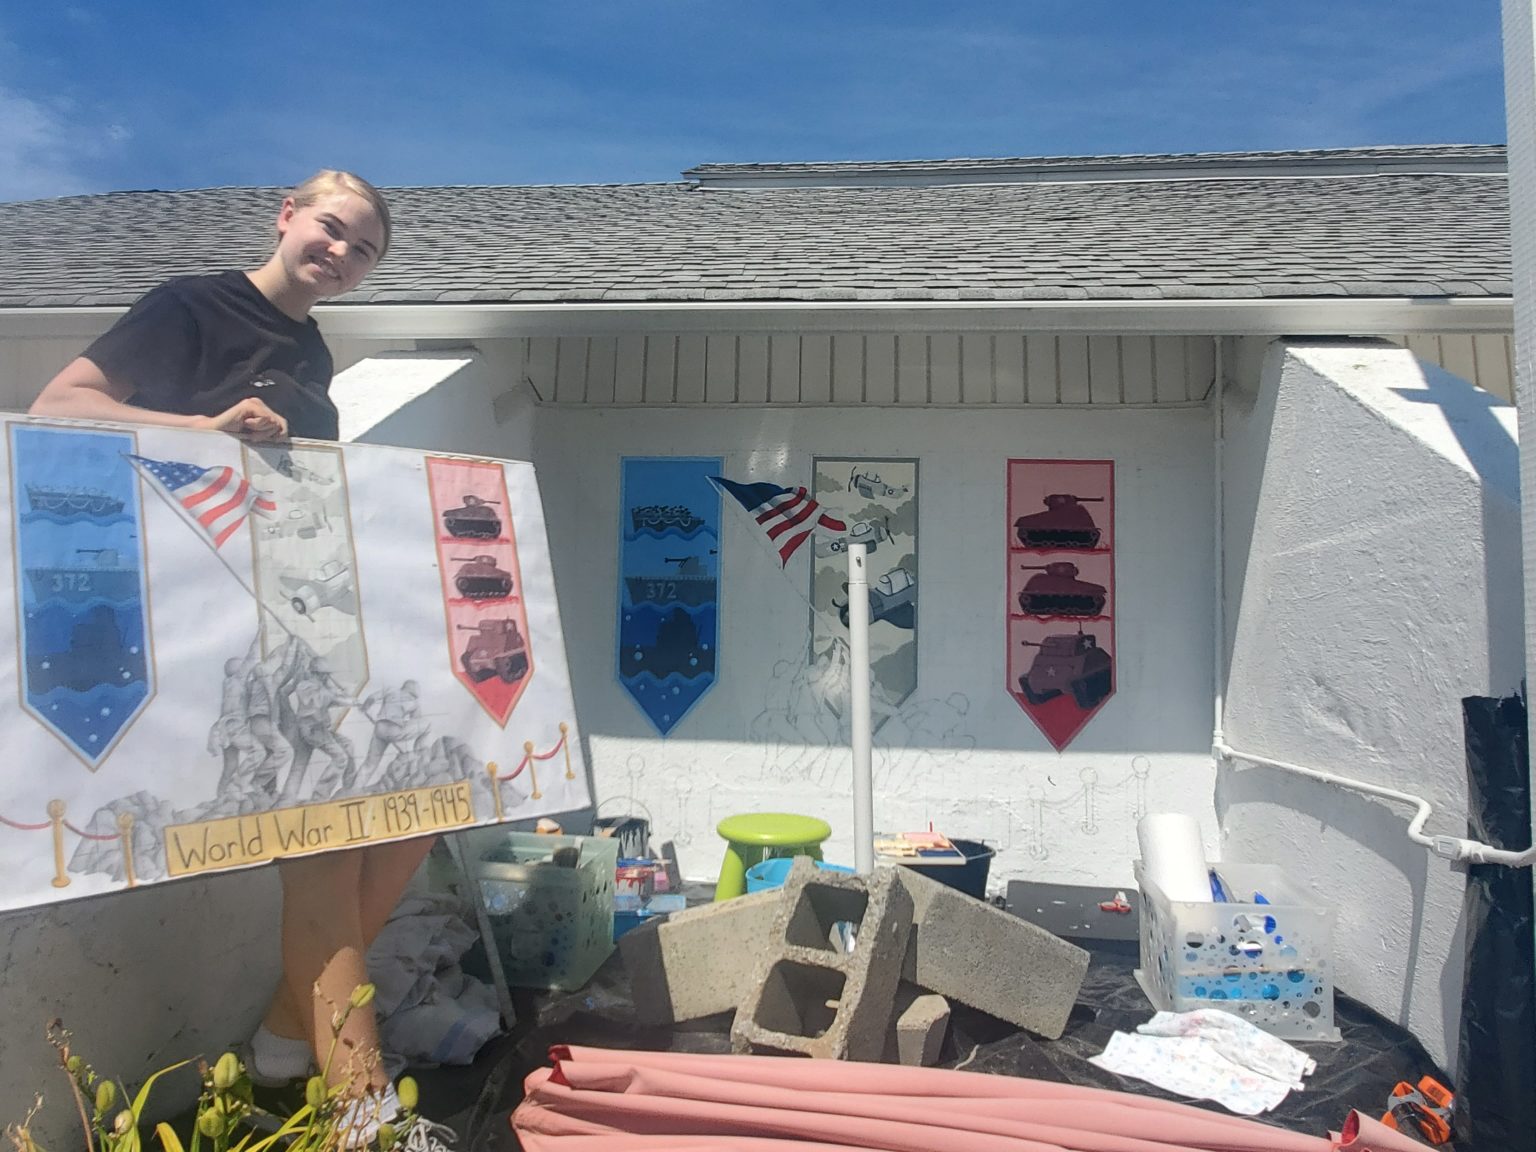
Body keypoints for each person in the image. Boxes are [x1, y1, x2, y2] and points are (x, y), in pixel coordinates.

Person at [30, 171, 449, 1149]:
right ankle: (364, 1121)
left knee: (417, 813)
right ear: (287, 214)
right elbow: (62, 403)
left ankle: (274, 1040)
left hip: (298, 621)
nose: (340, 253)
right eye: (331, 228)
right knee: (329, 843)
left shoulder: (312, 351)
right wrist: (204, 433)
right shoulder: (192, 305)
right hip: (198, 634)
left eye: (363, 249)